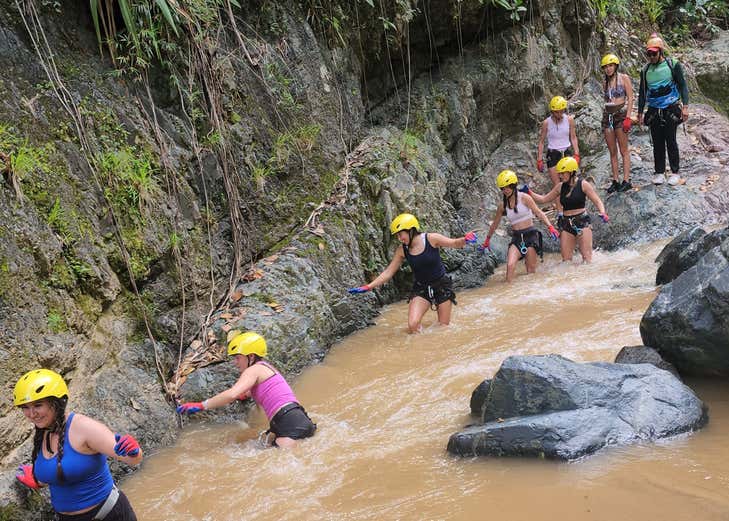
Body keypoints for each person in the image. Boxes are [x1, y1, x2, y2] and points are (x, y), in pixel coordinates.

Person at [13, 369, 142, 521]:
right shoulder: (43, 433)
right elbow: (60, 473)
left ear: (57, 402)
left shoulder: (85, 428)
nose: (31, 413)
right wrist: (38, 479)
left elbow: (133, 460)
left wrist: (133, 451)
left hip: (110, 515)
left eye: (38, 405)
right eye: (25, 407)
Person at [176, 331, 316, 448]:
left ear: (251, 357)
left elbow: (232, 394)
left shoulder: (253, 370)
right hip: (297, 419)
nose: (235, 363)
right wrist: (243, 395)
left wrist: (201, 405)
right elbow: (252, 392)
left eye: (238, 358)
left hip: (288, 422)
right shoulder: (266, 368)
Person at [348, 213, 477, 333]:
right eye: (397, 236)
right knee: (413, 326)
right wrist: (368, 286)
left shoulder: (432, 238)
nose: (399, 238)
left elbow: (454, 243)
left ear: (411, 230)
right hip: (421, 289)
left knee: (443, 328)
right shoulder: (402, 250)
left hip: (441, 286)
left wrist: (465, 239)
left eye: (400, 234)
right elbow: (388, 272)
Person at [480, 170, 560, 280]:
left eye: (508, 187)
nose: (505, 190)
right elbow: (494, 224)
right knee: (510, 265)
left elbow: (538, 212)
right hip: (517, 238)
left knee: (531, 270)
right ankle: (508, 290)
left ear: (514, 185)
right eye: (502, 188)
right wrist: (487, 240)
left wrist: (550, 227)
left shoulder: (525, 198)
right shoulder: (502, 206)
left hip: (530, 236)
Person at [529, 157, 609, 263]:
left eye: (563, 173)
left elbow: (597, 201)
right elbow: (543, 199)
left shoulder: (583, 184)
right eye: (560, 174)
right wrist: (529, 192)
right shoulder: (560, 187)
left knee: (587, 258)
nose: (560, 176)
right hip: (566, 223)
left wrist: (602, 212)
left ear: (571, 172)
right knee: (566, 261)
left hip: (582, 221)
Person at [637, 33, 690, 186]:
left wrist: (685, 107)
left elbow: (682, 85)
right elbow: (642, 92)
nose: (651, 56)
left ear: (660, 51)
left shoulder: (672, 64)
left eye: (654, 53)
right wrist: (640, 112)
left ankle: (675, 172)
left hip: (671, 108)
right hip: (654, 109)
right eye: (649, 54)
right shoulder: (645, 70)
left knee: (671, 140)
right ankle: (659, 172)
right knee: (657, 142)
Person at [537, 96, 581, 214]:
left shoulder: (569, 120)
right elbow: (541, 141)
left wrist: (576, 153)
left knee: (571, 181)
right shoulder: (546, 123)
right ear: (552, 111)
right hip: (553, 153)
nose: (559, 113)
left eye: (561, 111)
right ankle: (560, 212)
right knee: (557, 184)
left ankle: (571, 206)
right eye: (557, 111)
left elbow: (573, 137)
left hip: (566, 152)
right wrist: (539, 159)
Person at [601, 54, 635, 194]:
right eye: (606, 67)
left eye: (610, 66)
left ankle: (626, 180)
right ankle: (615, 180)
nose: (608, 69)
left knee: (623, 149)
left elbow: (631, 97)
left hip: (620, 114)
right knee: (612, 150)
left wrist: (628, 117)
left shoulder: (624, 78)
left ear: (615, 66)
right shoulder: (605, 83)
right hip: (608, 115)